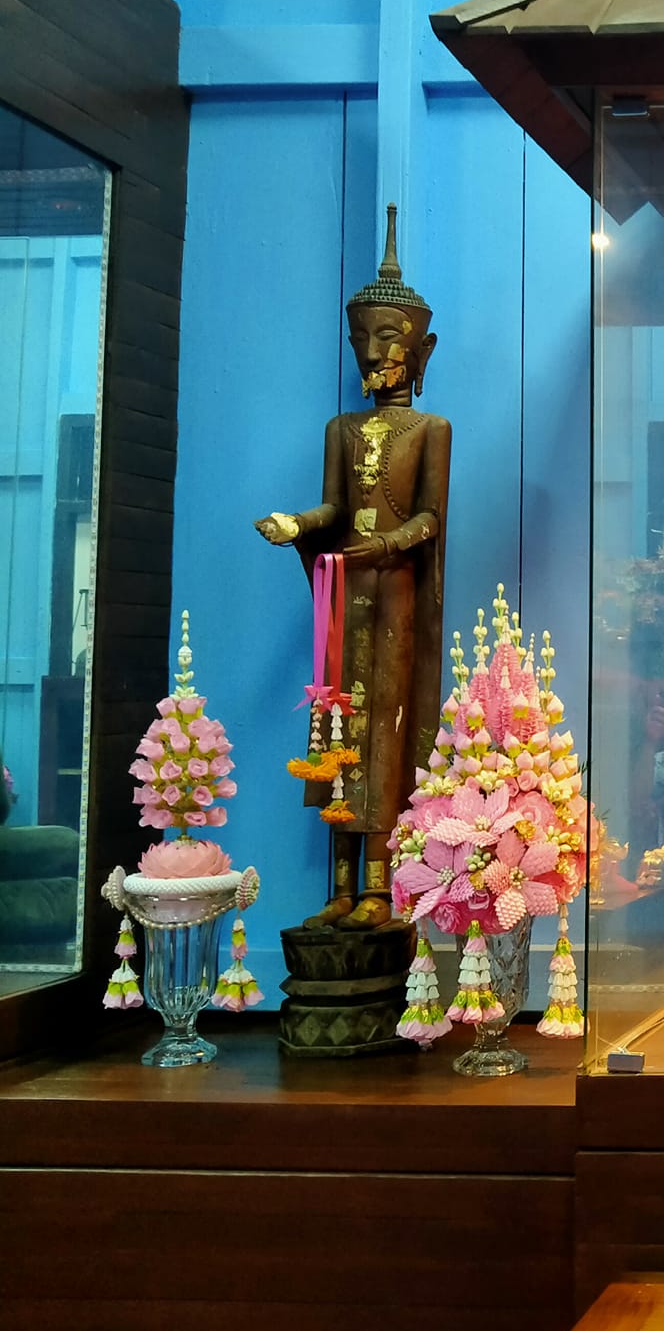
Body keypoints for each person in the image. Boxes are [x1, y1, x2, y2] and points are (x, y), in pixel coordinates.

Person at [255, 205, 451, 927]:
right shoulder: (342, 429)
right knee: (337, 723)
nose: (374, 353)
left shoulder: (430, 429)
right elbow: (334, 508)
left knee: (387, 727)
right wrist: (297, 525)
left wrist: (388, 546)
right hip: (345, 588)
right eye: (363, 339)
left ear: (421, 349)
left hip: (394, 589)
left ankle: (379, 883)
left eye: (389, 338)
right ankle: (339, 885)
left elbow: (430, 518)